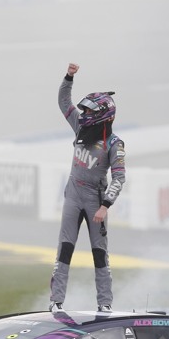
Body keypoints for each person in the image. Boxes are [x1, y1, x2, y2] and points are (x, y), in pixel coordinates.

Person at [49, 63, 126, 313]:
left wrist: (105, 206)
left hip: (96, 200)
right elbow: (63, 102)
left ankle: (105, 304)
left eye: (89, 111)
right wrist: (69, 77)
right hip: (73, 195)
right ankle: (56, 302)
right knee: (64, 249)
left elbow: (119, 178)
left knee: (99, 254)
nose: (83, 114)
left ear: (103, 115)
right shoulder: (80, 127)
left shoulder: (114, 144)